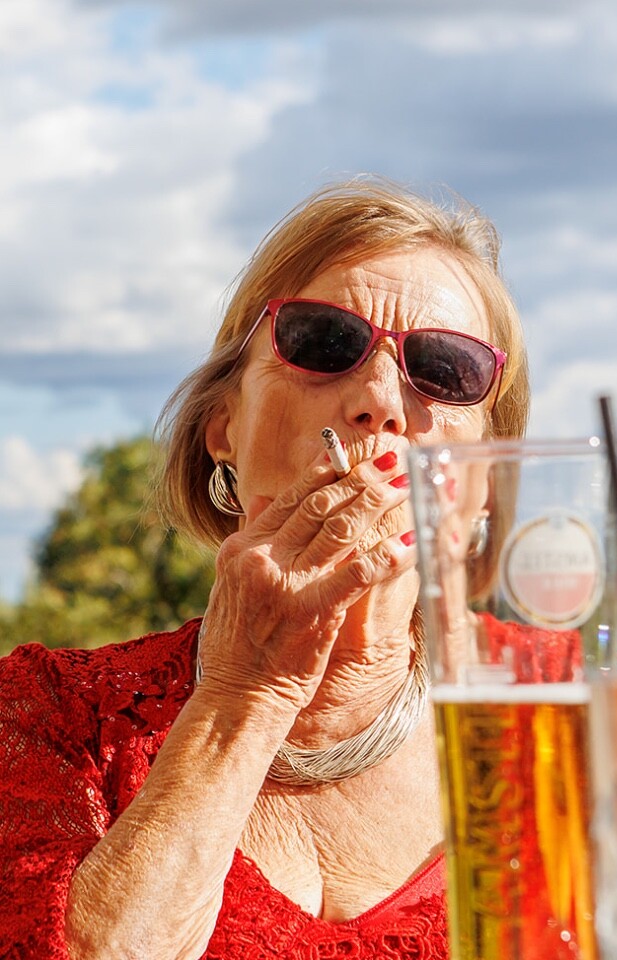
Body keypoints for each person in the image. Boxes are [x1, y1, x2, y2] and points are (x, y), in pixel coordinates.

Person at [0, 177, 529, 959]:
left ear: (487, 470)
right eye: (324, 341)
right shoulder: (49, 718)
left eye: (445, 369)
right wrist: (247, 693)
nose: (381, 401)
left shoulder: (583, 712)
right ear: (223, 426)